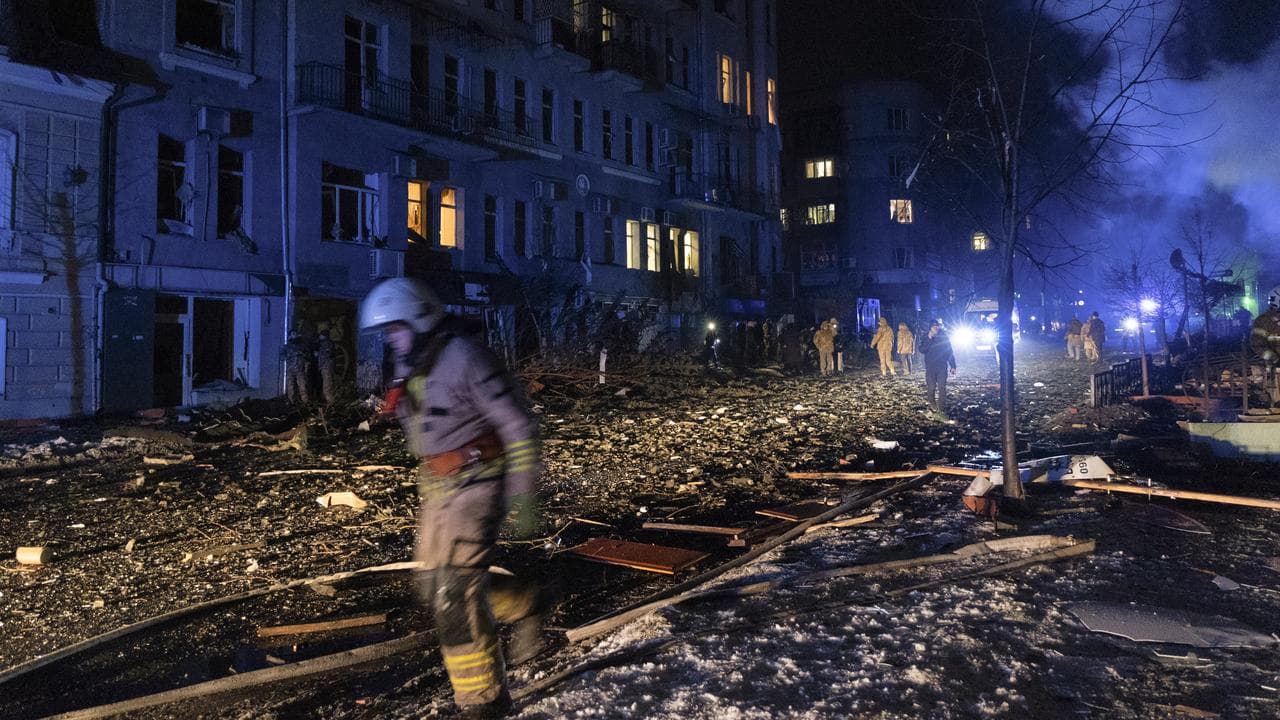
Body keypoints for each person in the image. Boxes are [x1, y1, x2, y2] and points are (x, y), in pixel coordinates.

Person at [360, 278, 543, 718]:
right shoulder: (412, 363)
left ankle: (483, 705)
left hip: (479, 482)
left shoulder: (465, 358)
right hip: (439, 492)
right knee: (433, 587)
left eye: (395, 328)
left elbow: (517, 426)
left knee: (453, 595)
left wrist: (524, 497)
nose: (391, 339)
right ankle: (530, 599)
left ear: (420, 320)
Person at [918, 321, 956, 419]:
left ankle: (941, 408)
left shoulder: (943, 337)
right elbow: (922, 350)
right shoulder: (925, 337)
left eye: (937, 326)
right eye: (934, 326)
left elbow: (949, 351)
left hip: (942, 366)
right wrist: (929, 339)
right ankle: (932, 405)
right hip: (930, 366)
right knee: (931, 387)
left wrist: (953, 365)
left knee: (942, 387)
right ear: (930, 328)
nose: (936, 328)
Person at [280, 330, 311, 405]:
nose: (294, 335)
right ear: (290, 336)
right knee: (290, 386)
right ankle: (291, 402)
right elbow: (281, 357)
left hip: (300, 369)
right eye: (292, 334)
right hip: (290, 369)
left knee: (302, 386)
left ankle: (305, 402)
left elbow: (309, 356)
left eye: (295, 334)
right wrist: (289, 355)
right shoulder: (287, 346)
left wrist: (302, 354)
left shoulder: (302, 346)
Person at [314, 329, 337, 404]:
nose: (319, 336)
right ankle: (330, 404)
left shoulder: (327, 343)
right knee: (328, 386)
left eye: (320, 335)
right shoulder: (326, 343)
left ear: (323, 335)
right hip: (325, 367)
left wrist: (318, 354)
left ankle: (331, 404)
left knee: (327, 388)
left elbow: (329, 354)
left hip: (326, 367)